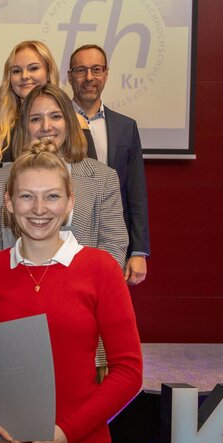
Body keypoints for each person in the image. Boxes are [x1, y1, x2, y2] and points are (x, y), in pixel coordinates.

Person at [0, 141, 143, 443]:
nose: (39, 208)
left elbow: (129, 371)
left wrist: (67, 434)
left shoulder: (100, 269)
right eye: (27, 196)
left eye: (51, 196)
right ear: (8, 203)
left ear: (70, 202)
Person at [0, 83, 128, 268]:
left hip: (84, 283)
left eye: (56, 116)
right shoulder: (1, 179)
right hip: (19, 283)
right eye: (35, 119)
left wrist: (85, 282)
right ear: (24, 126)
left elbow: (114, 245)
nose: (46, 127)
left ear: (69, 121)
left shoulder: (103, 178)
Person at [67, 44, 150, 286]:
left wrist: (138, 251)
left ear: (106, 74)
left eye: (96, 69)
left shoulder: (126, 127)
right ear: (70, 76)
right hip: (67, 235)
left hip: (112, 238)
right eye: (81, 70)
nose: (89, 77)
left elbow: (136, 191)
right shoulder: (55, 123)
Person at [0, 40, 60, 199]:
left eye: (33, 68)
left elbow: (88, 182)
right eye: (16, 71)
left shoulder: (71, 125)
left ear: (48, 73)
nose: (25, 76)